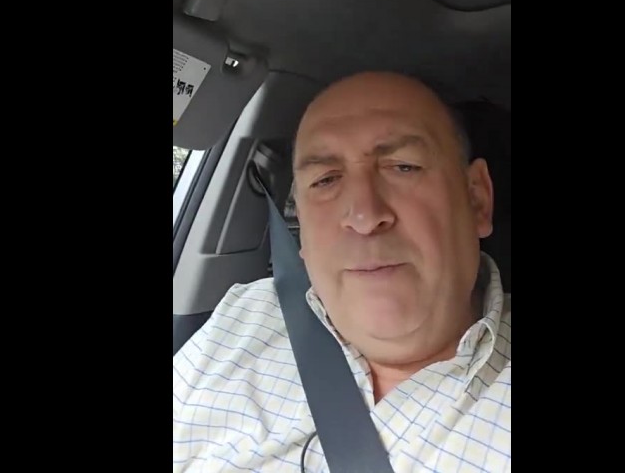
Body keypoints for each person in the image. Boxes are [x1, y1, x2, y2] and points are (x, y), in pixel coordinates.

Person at [173, 71, 511, 472]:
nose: (364, 217)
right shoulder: (243, 318)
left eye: (403, 167)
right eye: (326, 179)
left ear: (476, 200)